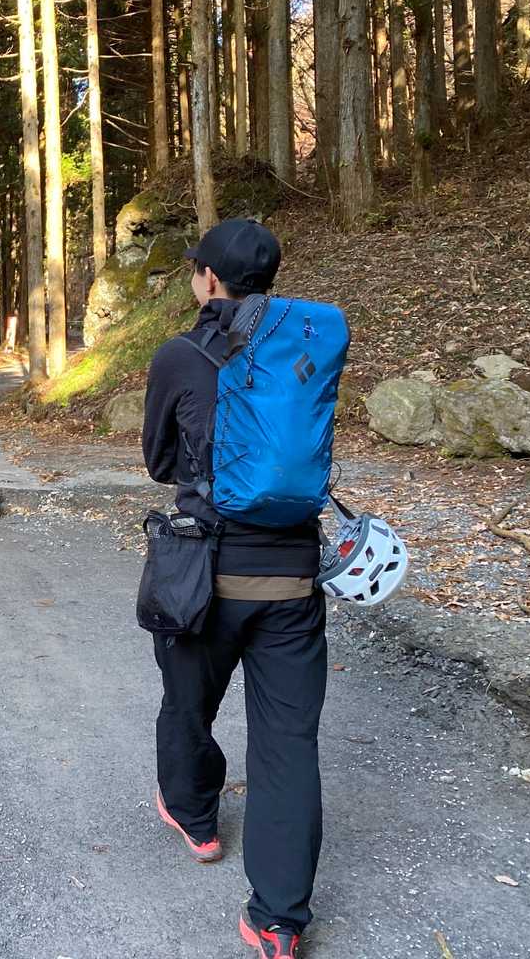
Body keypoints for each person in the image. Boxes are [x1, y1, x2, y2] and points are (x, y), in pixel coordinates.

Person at [141, 219, 326, 959]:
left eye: (196, 269)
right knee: (289, 746)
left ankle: (196, 817)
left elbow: (160, 461)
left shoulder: (181, 355)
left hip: (204, 575)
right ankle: (278, 921)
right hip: (293, 575)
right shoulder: (304, 348)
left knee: (188, 702)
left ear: (209, 280)